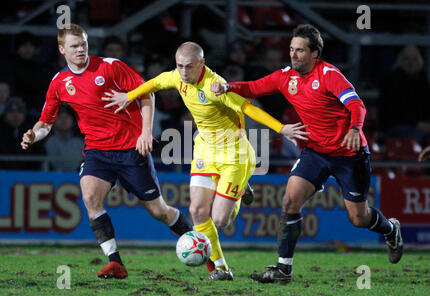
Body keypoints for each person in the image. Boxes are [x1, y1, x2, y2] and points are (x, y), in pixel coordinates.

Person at [210, 24, 403, 284]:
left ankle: (391, 229)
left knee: (359, 218)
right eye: (291, 49)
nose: (293, 55)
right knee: (290, 200)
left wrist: (355, 129)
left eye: (300, 50)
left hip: (350, 154)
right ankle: (283, 270)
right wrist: (228, 87)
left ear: (315, 54)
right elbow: (255, 87)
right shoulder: (285, 77)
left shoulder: (330, 75)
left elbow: (357, 104)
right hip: (315, 152)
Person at [102, 41, 309, 280]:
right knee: (197, 211)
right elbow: (155, 82)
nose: (183, 72)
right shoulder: (177, 77)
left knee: (221, 219)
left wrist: (281, 128)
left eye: (189, 67)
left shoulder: (215, 86)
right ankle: (221, 269)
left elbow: (249, 108)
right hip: (205, 151)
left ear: (202, 63)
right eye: (179, 66)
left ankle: (241, 189)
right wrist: (128, 96)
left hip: (234, 154)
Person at [20, 24, 198, 280]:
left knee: (159, 212)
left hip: (130, 149)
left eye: (83, 44)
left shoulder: (110, 67)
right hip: (97, 151)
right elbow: (46, 123)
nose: (80, 49)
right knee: (90, 197)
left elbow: (147, 94)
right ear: (62, 50)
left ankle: (204, 250)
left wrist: (146, 133)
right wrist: (33, 135)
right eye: (74, 46)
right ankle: (115, 263)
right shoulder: (59, 82)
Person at [0, 97, 45, 170]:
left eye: (19, 111)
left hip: (28, 176)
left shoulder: (32, 131)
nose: (15, 115)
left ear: (24, 114)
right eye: (11, 112)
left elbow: (40, 154)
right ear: (5, 114)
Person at [44, 105, 84, 171]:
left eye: (67, 117)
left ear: (72, 121)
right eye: (60, 117)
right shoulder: (48, 141)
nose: (63, 120)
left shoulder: (80, 141)